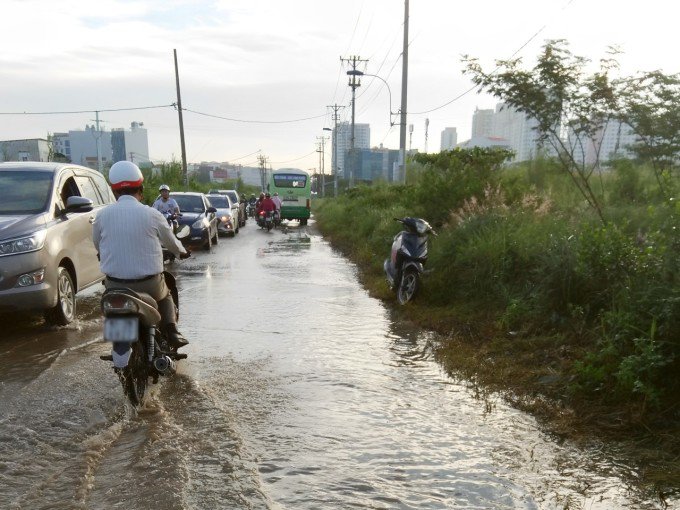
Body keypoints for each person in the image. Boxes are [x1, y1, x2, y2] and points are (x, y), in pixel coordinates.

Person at [93, 161, 190, 349]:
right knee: (167, 294)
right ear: (141, 189)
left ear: (114, 192)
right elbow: (171, 242)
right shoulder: (152, 214)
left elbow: (98, 243)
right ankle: (172, 331)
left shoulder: (102, 216)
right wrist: (181, 252)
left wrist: (102, 254)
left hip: (114, 286)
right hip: (150, 285)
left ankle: (118, 346)